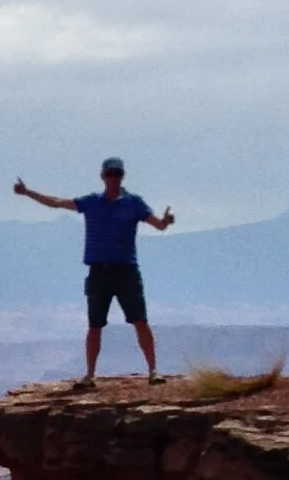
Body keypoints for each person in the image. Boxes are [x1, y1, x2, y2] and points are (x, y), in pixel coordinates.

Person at [12, 157, 176, 385]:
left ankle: (154, 371)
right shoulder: (91, 202)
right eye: (110, 174)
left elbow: (157, 225)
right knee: (95, 325)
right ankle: (90, 375)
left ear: (122, 176)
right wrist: (28, 193)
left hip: (126, 270)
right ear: (103, 176)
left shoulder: (134, 203)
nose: (113, 178)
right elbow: (58, 202)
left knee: (140, 320)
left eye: (117, 174)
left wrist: (166, 221)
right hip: (99, 271)